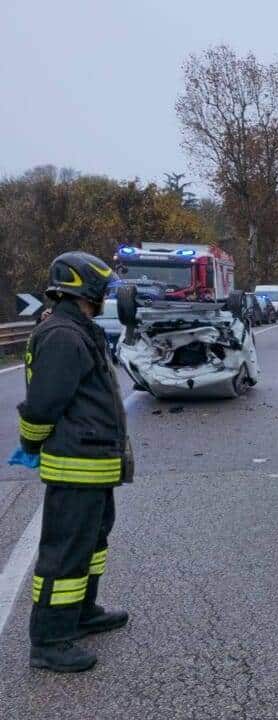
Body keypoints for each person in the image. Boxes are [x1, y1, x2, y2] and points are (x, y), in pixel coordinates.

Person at [12, 252, 131, 673]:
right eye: (103, 290)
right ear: (86, 287)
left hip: (92, 463)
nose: (106, 298)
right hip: (76, 464)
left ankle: (82, 612)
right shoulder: (63, 335)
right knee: (64, 555)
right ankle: (50, 640)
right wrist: (30, 443)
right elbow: (43, 405)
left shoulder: (78, 329)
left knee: (90, 545)